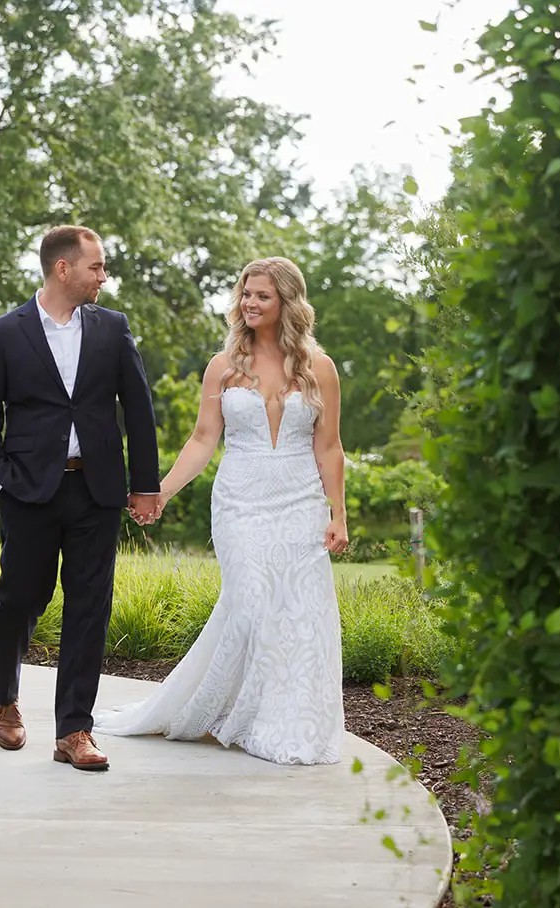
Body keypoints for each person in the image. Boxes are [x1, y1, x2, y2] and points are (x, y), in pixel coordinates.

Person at [94, 256, 347, 765]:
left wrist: (338, 514)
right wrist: (160, 491)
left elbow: (330, 448)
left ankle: (285, 722)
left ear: (287, 303)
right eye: (246, 295)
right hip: (240, 502)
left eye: (262, 296)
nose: (250, 304)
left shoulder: (319, 368)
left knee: (298, 613)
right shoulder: (224, 366)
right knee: (253, 603)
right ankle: (243, 712)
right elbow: (203, 438)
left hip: (300, 502)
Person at [0, 225, 160, 772]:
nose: (104, 276)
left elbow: (139, 410)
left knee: (89, 607)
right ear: (63, 269)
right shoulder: (3, 333)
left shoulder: (112, 328)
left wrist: (144, 486)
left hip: (97, 491)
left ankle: (74, 729)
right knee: (21, 599)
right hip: (28, 492)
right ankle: (5, 695)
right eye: (97, 266)